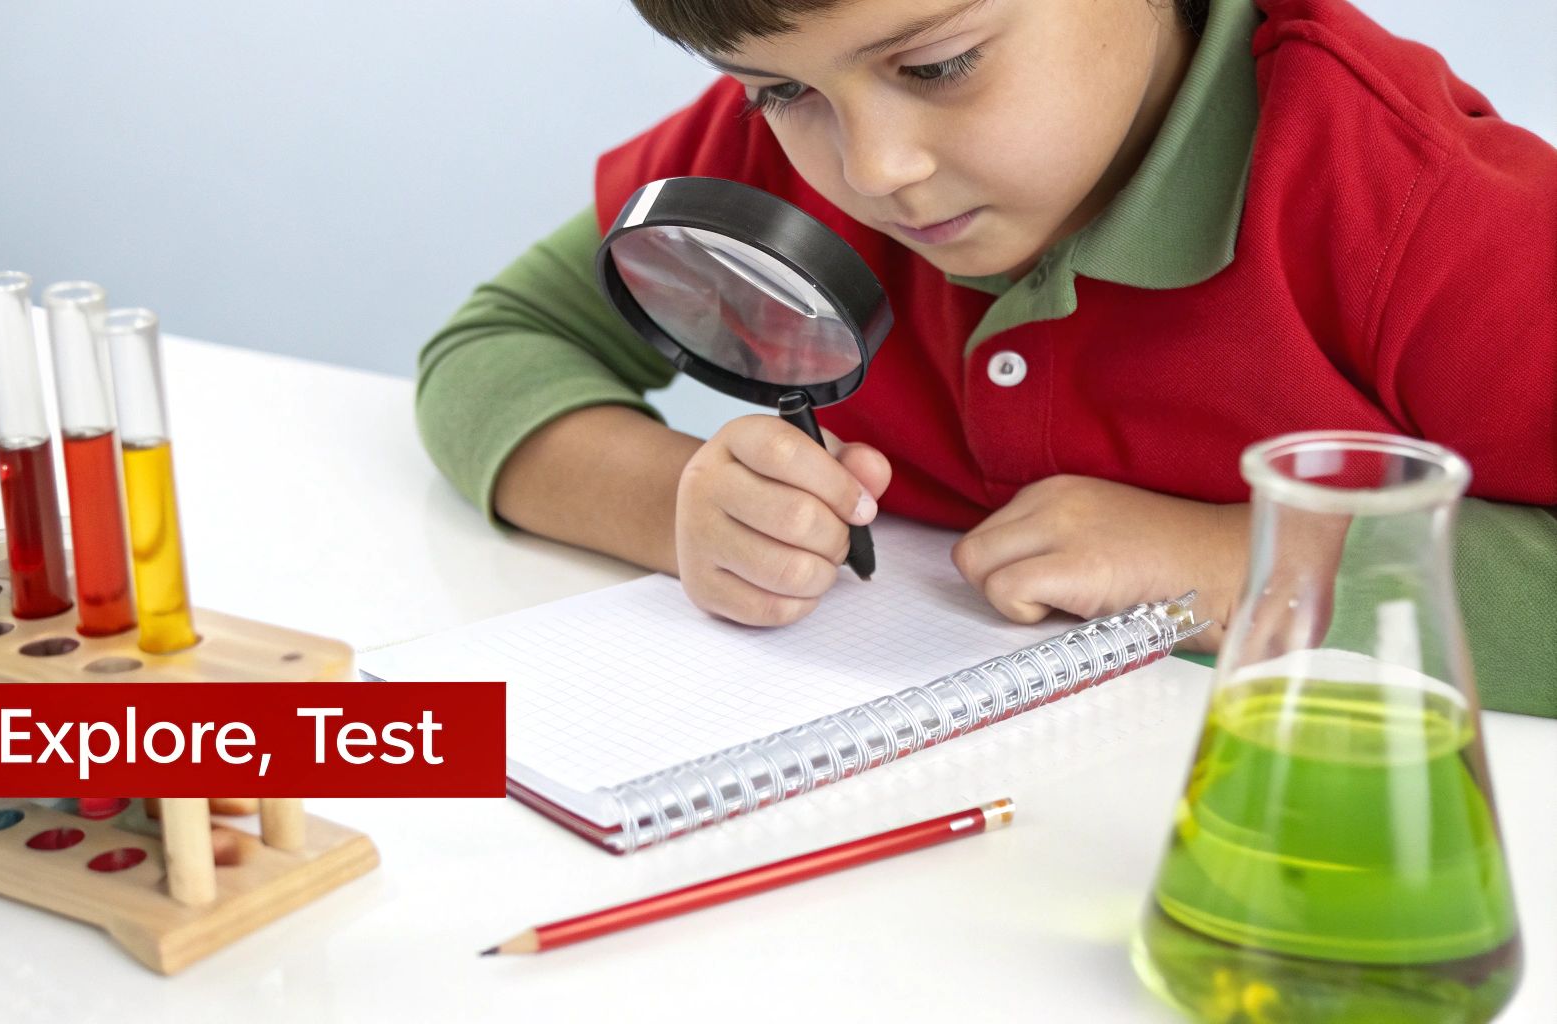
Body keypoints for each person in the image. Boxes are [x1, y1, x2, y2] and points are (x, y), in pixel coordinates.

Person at [416, 0, 1557, 717]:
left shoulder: (1416, 208)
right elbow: (494, 347)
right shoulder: (772, 153)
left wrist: (1235, 565)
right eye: (781, 91)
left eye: (941, 64)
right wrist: (683, 506)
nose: (870, 169)